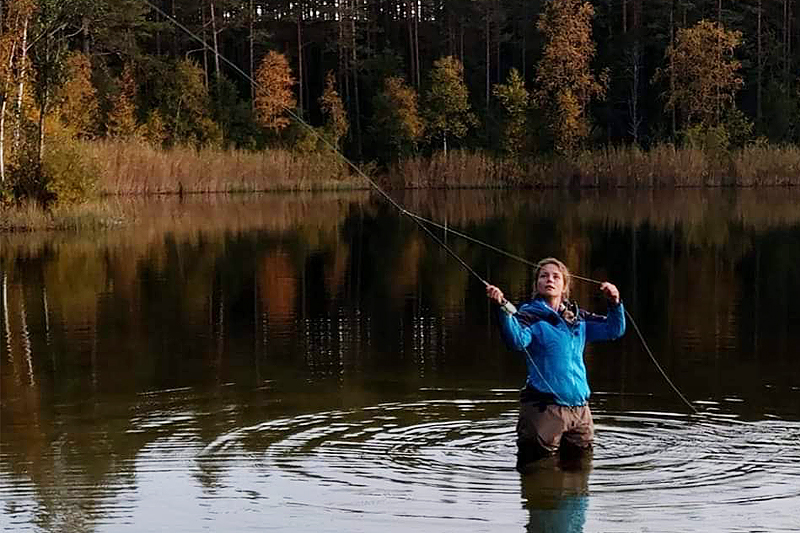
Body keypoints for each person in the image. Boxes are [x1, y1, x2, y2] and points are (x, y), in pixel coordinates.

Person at [486, 257, 625, 473]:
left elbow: (614, 330)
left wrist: (614, 302)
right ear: (537, 285)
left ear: (564, 285)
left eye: (555, 276)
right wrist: (502, 309)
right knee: (538, 473)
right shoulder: (529, 316)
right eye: (544, 275)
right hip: (543, 411)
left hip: (580, 412)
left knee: (579, 477)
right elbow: (516, 341)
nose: (549, 279)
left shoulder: (579, 319)